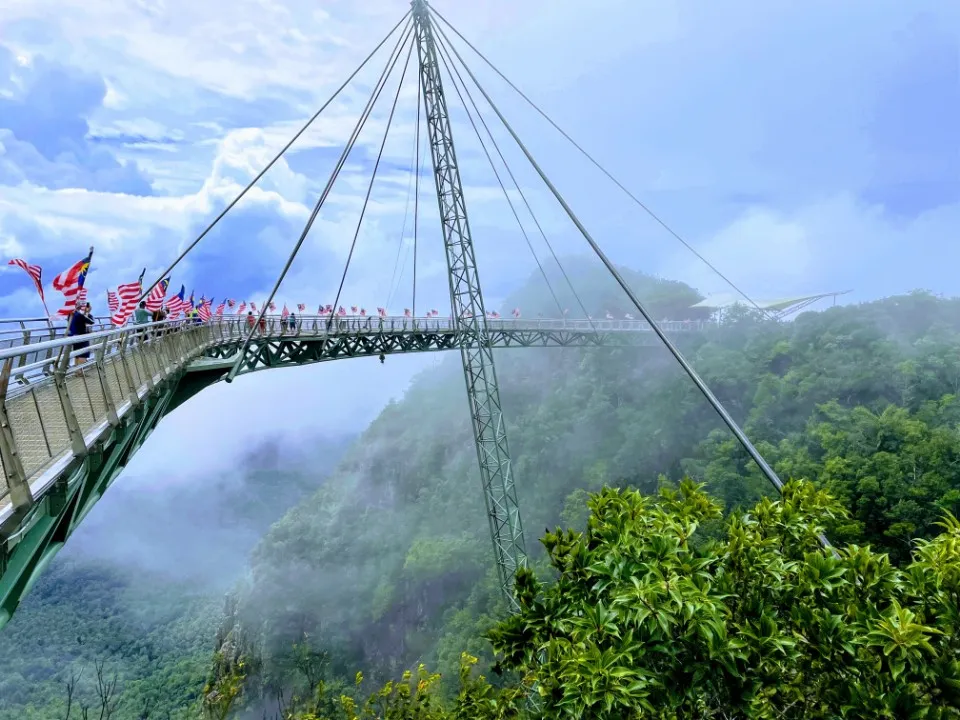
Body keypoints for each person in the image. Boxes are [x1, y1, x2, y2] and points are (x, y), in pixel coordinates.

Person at [67, 302, 95, 366]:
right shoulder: (79, 315)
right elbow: (91, 321)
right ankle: (79, 372)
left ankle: (77, 372)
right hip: (82, 337)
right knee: (83, 353)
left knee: (77, 354)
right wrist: (87, 312)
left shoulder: (71, 315)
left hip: (74, 336)